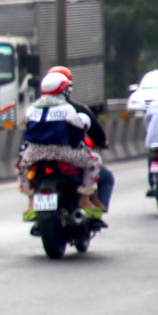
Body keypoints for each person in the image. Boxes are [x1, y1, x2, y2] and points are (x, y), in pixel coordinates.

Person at [17, 71, 97, 216]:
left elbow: (26, 133)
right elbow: (77, 134)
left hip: (34, 152)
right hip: (62, 152)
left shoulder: (31, 109)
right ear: (64, 91)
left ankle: (31, 202)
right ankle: (84, 199)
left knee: (22, 167)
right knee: (94, 161)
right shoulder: (67, 109)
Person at [48, 65, 114, 211]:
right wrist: (102, 142)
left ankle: (31, 204)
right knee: (104, 174)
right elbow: (97, 135)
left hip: (41, 157)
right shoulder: (76, 109)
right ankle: (89, 203)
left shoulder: (36, 110)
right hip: (68, 159)